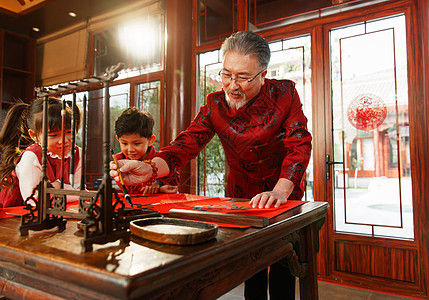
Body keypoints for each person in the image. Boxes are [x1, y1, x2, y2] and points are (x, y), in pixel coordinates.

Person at [110, 30, 312, 299]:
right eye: (226, 74)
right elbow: (186, 143)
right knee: (251, 268)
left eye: (243, 77)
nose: (232, 85)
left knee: (283, 268)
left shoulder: (284, 93)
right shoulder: (215, 105)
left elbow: (299, 144)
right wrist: (151, 168)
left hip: (284, 194)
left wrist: (280, 191)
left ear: (263, 75)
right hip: (243, 198)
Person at [0, 97, 82, 207]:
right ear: (34, 136)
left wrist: (56, 187)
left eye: (69, 132)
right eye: (53, 135)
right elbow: (34, 200)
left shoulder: (77, 153)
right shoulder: (31, 157)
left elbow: (80, 191)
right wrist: (66, 189)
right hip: (16, 213)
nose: (64, 140)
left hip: (56, 210)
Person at [114, 107, 179, 194]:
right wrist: (156, 188)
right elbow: (128, 190)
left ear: (150, 140)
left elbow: (174, 181)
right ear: (118, 139)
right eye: (124, 143)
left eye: (136, 144)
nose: (130, 150)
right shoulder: (120, 160)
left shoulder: (160, 160)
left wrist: (159, 185)